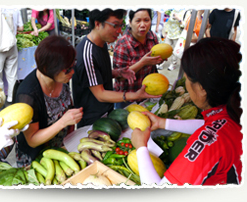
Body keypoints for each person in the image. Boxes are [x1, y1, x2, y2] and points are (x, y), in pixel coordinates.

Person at [131, 37, 242, 186]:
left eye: (188, 78)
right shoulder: (233, 110)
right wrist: (163, 123)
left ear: (202, 88)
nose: (186, 83)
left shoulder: (209, 145)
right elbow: (209, 125)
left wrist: (141, 148)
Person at [72, 8, 161, 128]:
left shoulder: (101, 43)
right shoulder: (87, 54)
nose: (119, 31)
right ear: (98, 24)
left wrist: (117, 73)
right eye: (115, 26)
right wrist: (133, 95)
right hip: (92, 119)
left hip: (106, 111)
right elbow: (100, 94)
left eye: (121, 25)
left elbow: (97, 74)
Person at [14, 36, 83, 167]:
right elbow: (32, 140)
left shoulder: (61, 80)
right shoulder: (28, 95)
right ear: (48, 68)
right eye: (67, 69)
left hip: (61, 148)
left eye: (73, 65)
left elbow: (68, 110)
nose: (72, 72)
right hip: (37, 158)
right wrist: (63, 122)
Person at [113, 9, 164, 109]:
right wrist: (142, 63)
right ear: (130, 22)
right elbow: (119, 77)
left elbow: (153, 63)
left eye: (146, 20)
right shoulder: (122, 45)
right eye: (138, 21)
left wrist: (159, 60)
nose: (143, 25)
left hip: (149, 93)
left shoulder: (152, 37)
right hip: (128, 98)